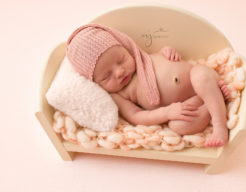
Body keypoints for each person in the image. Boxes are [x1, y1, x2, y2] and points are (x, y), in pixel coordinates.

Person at [66, 24, 230, 147]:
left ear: (126, 47)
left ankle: (219, 125)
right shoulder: (118, 95)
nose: (119, 72)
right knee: (178, 126)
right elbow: (136, 116)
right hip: (189, 104)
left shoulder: (142, 58)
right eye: (106, 76)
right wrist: (168, 112)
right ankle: (213, 100)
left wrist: (167, 51)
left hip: (198, 78)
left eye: (121, 60)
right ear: (95, 82)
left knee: (201, 77)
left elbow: (163, 54)